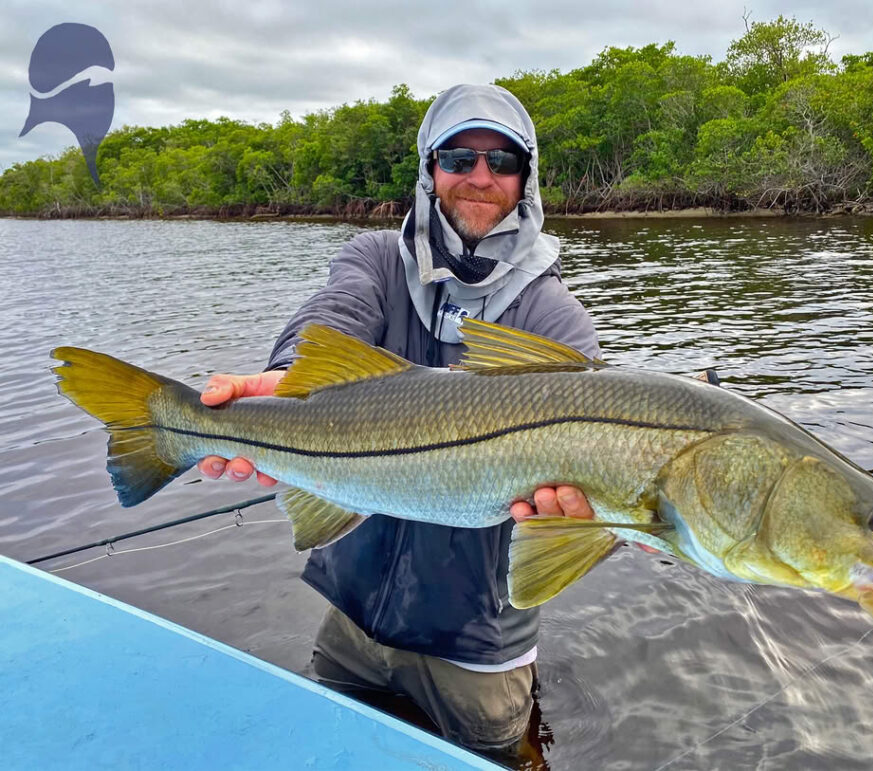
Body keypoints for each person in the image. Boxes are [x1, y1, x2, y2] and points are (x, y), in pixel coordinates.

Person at [196, 84, 600, 751]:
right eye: (459, 157)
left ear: (525, 179)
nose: (480, 176)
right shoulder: (378, 258)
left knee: (504, 755)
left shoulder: (554, 316)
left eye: (502, 161)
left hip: (475, 644)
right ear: (429, 168)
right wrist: (292, 375)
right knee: (330, 749)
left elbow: (592, 475)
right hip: (353, 621)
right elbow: (334, 314)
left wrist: (603, 516)